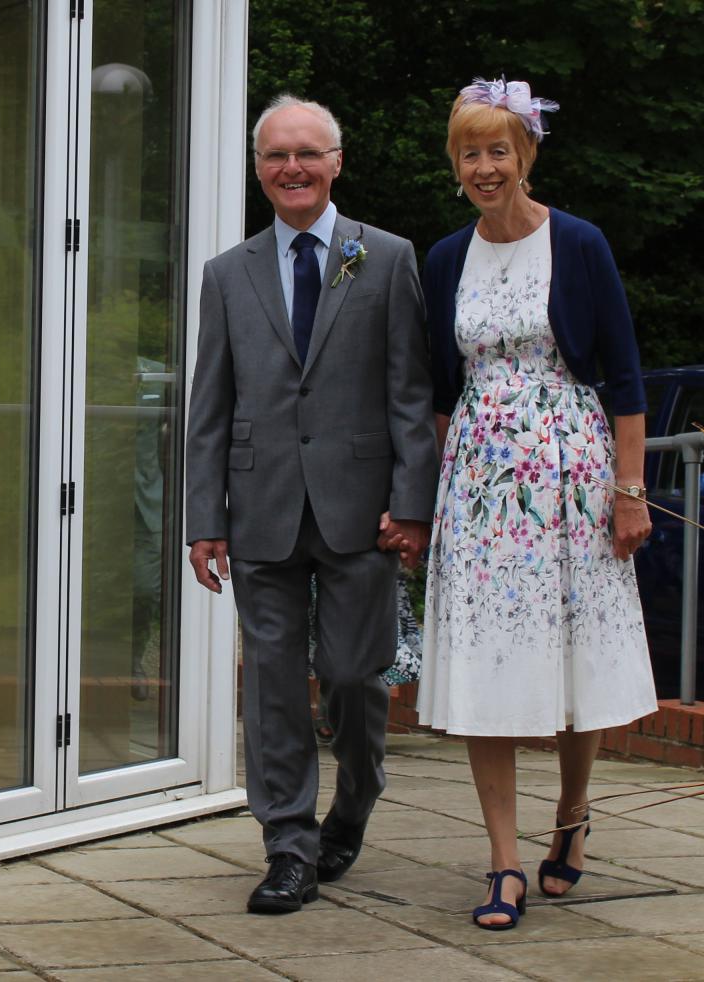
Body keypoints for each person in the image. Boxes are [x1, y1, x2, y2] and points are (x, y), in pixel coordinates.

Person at [186, 94, 437, 915]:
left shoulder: (388, 258)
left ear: (336, 162)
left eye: (307, 153)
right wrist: (205, 519)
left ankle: (354, 803)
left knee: (354, 677)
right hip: (259, 511)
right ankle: (287, 845)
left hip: (363, 510)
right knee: (270, 683)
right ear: (259, 170)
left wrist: (412, 504)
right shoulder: (227, 274)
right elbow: (209, 406)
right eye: (275, 156)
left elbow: (410, 394)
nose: (291, 168)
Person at [417, 78, 658, 930]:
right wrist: (428, 503)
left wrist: (629, 492)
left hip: (574, 472)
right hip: (481, 485)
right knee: (488, 659)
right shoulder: (446, 258)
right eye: (470, 153)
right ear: (457, 166)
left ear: (525, 154)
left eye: (499, 150)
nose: (486, 167)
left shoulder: (580, 243)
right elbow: (440, 393)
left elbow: (626, 378)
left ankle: (572, 815)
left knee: (573, 655)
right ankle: (505, 864)